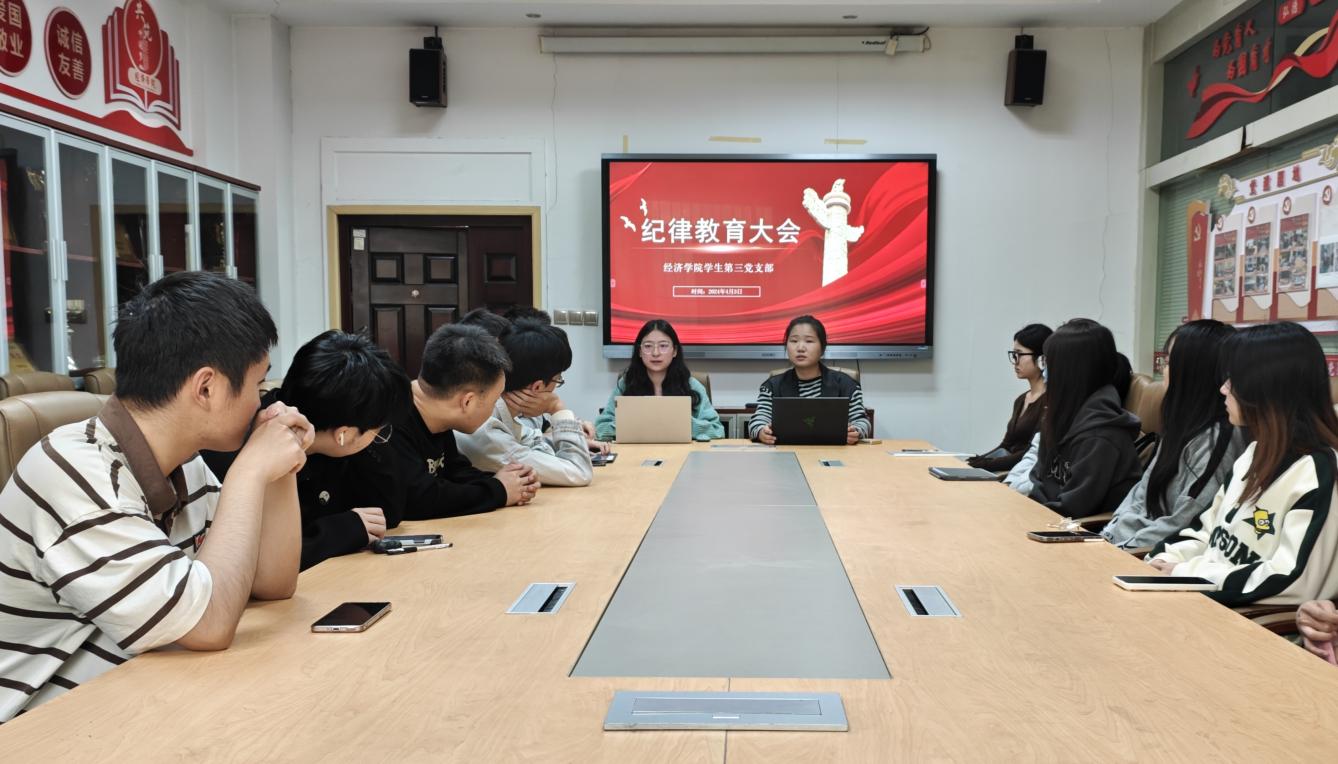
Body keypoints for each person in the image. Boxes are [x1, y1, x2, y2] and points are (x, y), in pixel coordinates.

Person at [0, 272, 309, 722]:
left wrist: (279, 468)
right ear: (206, 388)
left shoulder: (181, 462)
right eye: (257, 386)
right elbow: (208, 624)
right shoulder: (73, 475)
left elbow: (271, 583)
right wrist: (250, 471)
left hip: (142, 699)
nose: (261, 403)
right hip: (42, 727)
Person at [1149, 322, 1338, 607]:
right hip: (1204, 601)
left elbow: (1290, 581)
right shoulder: (1253, 452)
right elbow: (1205, 531)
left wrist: (1187, 573)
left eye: (1233, 380)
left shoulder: (1319, 473)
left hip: (1246, 620)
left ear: (1266, 387)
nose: (1223, 389)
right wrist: (1164, 559)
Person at [203, 331, 411, 570]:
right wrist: (337, 532)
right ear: (343, 434)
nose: (380, 438)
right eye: (380, 431)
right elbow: (255, 561)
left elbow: (386, 514)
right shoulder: (245, 447)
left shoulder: (329, 442)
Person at [347, 324, 539, 526]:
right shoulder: (385, 421)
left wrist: (513, 481)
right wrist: (498, 490)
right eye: (494, 401)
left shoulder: (435, 413)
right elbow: (419, 499)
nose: (494, 408)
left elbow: (454, 472)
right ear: (467, 401)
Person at [1102, 320, 1245, 549]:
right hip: (1127, 545)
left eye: (1168, 363)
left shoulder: (1216, 439)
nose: (1162, 370)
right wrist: (1109, 534)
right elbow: (1141, 492)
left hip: (1151, 555)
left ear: (1193, 371)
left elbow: (1182, 524)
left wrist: (1121, 547)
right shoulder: (1180, 426)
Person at [456, 320, 594, 486]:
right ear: (537, 387)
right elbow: (579, 472)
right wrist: (557, 407)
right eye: (558, 379)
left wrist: (572, 438)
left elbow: (534, 442)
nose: (555, 388)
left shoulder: (501, 411)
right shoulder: (485, 429)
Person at [1028, 319, 1141, 517]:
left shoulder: (1103, 435)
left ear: (1070, 371)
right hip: (1042, 519)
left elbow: (1073, 508)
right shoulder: (1059, 417)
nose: (1043, 372)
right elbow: (1038, 479)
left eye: (1048, 363)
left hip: (1077, 530)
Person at [595, 319, 724, 442]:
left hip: (681, 454)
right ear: (639, 351)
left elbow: (717, 430)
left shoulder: (691, 385)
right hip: (637, 453)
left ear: (674, 351)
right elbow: (600, 428)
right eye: (648, 346)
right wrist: (633, 424)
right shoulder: (627, 383)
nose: (655, 353)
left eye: (663, 346)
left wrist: (682, 423)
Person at [749, 315, 870, 445]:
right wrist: (761, 432)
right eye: (794, 341)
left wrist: (855, 432)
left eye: (809, 341)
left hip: (834, 453)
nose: (800, 348)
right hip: (786, 452)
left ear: (822, 348)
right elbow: (757, 421)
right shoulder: (772, 386)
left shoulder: (846, 385)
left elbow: (863, 422)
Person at [968, 323, 1051, 472]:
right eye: (1014, 355)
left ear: (1041, 359)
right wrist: (974, 462)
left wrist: (983, 465)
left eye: (1020, 354)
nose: (1015, 361)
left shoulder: (1050, 400)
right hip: (1008, 471)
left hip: (1025, 474)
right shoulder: (1021, 399)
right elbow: (1006, 446)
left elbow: (1030, 453)